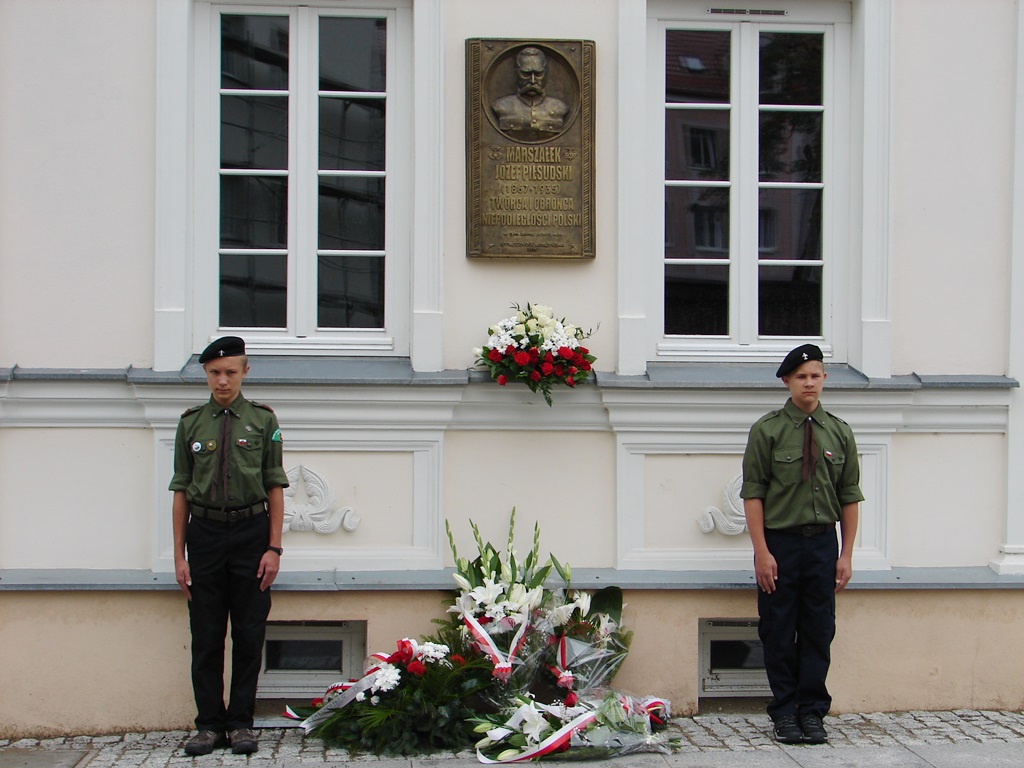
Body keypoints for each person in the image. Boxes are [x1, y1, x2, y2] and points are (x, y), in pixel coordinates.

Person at [170, 336, 289, 756]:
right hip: (204, 535)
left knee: (249, 632)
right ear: (206, 374)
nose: (222, 381)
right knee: (205, 634)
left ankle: (240, 723)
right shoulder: (190, 423)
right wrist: (179, 556)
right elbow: (181, 490)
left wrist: (273, 548)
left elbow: (275, 484)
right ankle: (208, 726)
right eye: (215, 373)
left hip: (250, 533)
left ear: (244, 372)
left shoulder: (263, 421)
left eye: (230, 372)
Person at [740, 343, 863, 745]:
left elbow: (849, 496)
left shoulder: (840, 432)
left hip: (823, 545)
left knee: (818, 629)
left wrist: (845, 554)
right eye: (801, 377)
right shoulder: (768, 430)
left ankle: (812, 712)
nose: (809, 383)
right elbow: (754, 493)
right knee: (777, 629)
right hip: (780, 545)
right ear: (787, 381)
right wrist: (761, 551)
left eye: (815, 375)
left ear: (824, 379)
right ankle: (784, 712)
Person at [490, 46, 570, 138]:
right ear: (516, 73)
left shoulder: (560, 108)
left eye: (538, 74)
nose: (532, 81)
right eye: (525, 74)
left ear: (545, 73)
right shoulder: (500, 107)